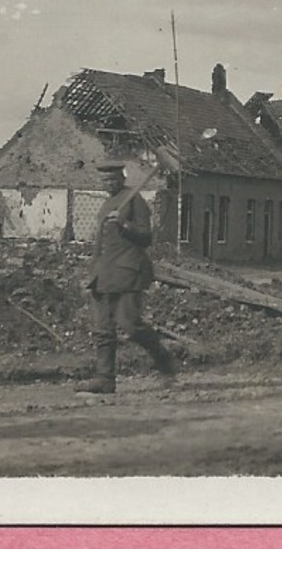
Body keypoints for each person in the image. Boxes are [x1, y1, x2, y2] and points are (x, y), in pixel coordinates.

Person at [76, 159, 176, 393]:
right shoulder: (106, 205)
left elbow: (147, 237)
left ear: (122, 178)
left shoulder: (134, 200)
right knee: (103, 329)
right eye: (104, 180)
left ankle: (165, 361)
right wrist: (92, 273)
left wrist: (125, 224)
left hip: (128, 271)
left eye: (112, 179)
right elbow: (99, 245)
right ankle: (105, 379)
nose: (108, 183)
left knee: (130, 324)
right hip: (104, 273)